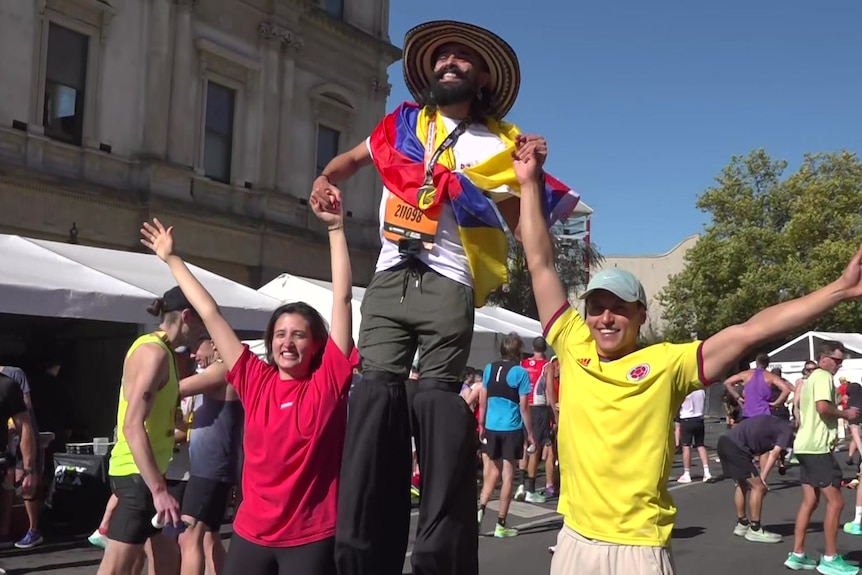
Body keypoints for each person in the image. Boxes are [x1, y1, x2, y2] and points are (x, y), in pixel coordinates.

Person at [517, 129, 862, 574]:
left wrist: (837, 290)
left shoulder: (667, 363)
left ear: (640, 315)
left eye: (618, 309)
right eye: (597, 308)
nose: (605, 318)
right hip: (573, 542)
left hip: (637, 550)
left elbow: (750, 330)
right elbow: (540, 262)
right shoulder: (571, 341)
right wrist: (529, 183)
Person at [313, 20, 578, 575]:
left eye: (462, 58)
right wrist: (325, 179)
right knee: (373, 402)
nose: (448, 63)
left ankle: (437, 554)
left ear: (481, 78)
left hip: (448, 281)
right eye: (442, 57)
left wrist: (530, 182)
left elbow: (528, 233)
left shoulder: (502, 146)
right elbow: (347, 164)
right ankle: (362, 553)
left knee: (436, 406)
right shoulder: (400, 125)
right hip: (388, 278)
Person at [140, 184, 355, 575]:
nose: (287, 342)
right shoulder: (255, 380)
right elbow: (209, 313)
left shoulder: (328, 383)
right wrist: (172, 260)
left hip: (309, 539)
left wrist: (336, 229)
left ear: (316, 344)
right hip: (251, 535)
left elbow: (341, 300)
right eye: (280, 334)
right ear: (270, 343)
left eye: (299, 334)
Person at [97, 286, 204, 575]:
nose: (204, 330)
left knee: (166, 559)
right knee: (117, 568)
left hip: (148, 475)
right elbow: (132, 424)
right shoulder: (153, 353)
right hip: (137, 478)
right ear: (186, 317)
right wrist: (158, 490)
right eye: (203, 319)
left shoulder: (164, 353)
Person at [785, 341, 860, 574]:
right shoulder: (823, 376)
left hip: (806, 447)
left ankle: (797, 555)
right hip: (816, 449)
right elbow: (822, 408)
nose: (839, 365)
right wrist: (846, 413)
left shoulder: (812, 379)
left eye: (841, 361)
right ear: (823, 358)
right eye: (837, 360)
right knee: (836, 502)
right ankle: (830, 558)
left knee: (811, 501)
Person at [477, 334, 535, 537]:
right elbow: (524, 407)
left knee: (492, 472)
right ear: (518, 352)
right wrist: (530, 435)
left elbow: (483, 400)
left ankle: (480, 509)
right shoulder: (520, 372)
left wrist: (481, 424)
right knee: (508, 475)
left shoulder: (489, 369)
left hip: (492, 426)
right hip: (510, 428)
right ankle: (501, 524)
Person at [716, 414, 793, 543]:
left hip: (724, 442)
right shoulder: (787, 430)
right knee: (758, 487)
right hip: (736, 447)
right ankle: (755, 529)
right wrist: (762, 478)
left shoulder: (775, 423)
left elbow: (768, 450)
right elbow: (773, 454)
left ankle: (742, 523)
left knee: (742, 484)